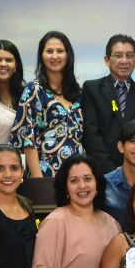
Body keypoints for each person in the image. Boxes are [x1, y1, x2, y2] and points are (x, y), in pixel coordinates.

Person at [35, 154, 121, 268]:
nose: (82, 186)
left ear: (97, 183)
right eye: (74, 180)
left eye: (88, 179)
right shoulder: (56, 222)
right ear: (65, 187)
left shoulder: (111, 223)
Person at [80, 34, 135, 170]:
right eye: (118, 55)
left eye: (130, 56)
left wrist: (132, 167)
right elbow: (91, 134)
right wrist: (111, 171)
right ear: (107, 60)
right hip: (102, 172)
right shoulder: (92, 89)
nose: (124, 61)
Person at [16, 31, 84, 177]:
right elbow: (28, 140)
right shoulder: (34, 90)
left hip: (77, 177)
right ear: (41, 55)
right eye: (49, 51)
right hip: (45, 175)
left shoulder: (78, 93)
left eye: (60, 51)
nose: (54, 56)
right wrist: (38, 180)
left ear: (68, 55)